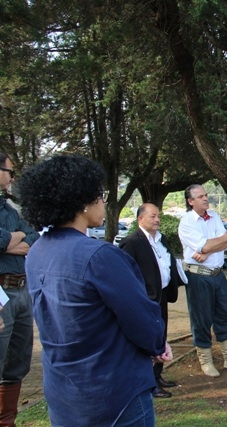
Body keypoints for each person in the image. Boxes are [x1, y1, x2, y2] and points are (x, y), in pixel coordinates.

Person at [19, 155, 171, 426]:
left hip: (63, 392)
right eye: (100, 195)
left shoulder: (37, 252)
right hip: (114, 391)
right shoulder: (100, 256)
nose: (104, 202)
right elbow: (142, 319)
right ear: (82, 201)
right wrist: (157, 344)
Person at [178, 184, 227, 376]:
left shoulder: (215, 217)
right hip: (198, 276)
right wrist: (215, 243)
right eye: (200, 196)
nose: (205, 198)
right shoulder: (187, 221)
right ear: (190, 201)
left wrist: (212, 246)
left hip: (218, 274)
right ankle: (206, 361)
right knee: (201, 318)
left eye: (206, 195)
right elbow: (203, 246)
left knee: (225, 315)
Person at [119, 203, 183, 398]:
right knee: (147, 338)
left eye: (158, 216)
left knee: (160, 335)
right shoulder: (132, 242)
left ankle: (157, 375)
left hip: (161, 295)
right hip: (144, 298)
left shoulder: (160, 239)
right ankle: (149, 383)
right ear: (140, 219)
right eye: (152, 216)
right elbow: (125, 273)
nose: (157, 220)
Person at [0, 153, 39, 426]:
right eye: (8, 171)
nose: (12, 177)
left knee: (17, 363)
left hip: (22, 289)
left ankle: (7, 420)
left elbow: (34, 237)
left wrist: (10, 240)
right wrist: (11, 238)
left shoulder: (12, 207)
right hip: (0, 291)